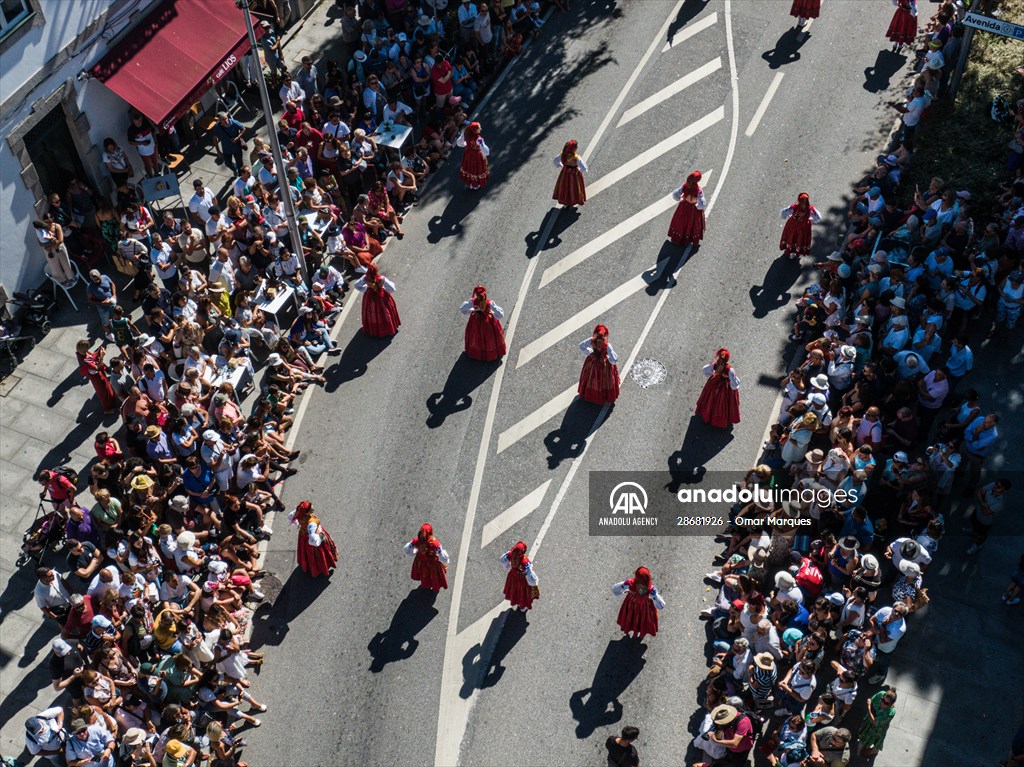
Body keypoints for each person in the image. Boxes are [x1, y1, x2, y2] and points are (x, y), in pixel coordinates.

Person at [612, 566, 666, 640]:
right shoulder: (651, 589)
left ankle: (629, 628)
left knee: (631, 616)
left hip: (632, 603)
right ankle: (641, 631)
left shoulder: (630, 583)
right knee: (643, 618)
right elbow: (660, 604)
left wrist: (626, 590)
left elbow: (615, 589)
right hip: (645, 606)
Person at [288, 500, 338, 577]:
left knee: (305, 552)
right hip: (313, 536)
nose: (313, 508)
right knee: (319, 554)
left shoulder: (299, 512)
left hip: (303, 535)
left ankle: (307, 564)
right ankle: (321, 566)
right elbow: (313, 540)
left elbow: (290, 516)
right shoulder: (312, 523)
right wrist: (321, 536)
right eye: (311, 508)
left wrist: (298, 524)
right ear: (307, 512)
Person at [696, 348, 741, 428]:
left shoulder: (715, 364)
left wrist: (713, 374)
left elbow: (705, 370)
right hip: (725, 387)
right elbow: (734, 384)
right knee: (723, 403)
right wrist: (730, 382)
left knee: (710, 399)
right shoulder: (729, 369)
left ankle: (708, 415)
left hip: (714, 383)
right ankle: (719, 419)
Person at [460, 285, 506, 361]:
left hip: (476, 321)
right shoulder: (489, 303)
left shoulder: (473, 301)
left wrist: (472, 310)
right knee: (490, 337)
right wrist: (492, 313)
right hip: (488, 322)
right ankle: (491, 354)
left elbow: (463, 309)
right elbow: (500, 314)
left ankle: (478, 353)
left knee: (475, 336)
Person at [353, 263, 401, 337]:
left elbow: (356, 285)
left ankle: (374, 330)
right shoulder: (381, 279)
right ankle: (387, 328)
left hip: (369, 297)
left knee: (371, 314)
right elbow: (392, 289)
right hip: (382, 297)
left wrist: (365, 289)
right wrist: (384, 289)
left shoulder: (365, 278)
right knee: (385, 313)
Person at [578, 324, 620, 405]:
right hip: (603, 365)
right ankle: (603, 396)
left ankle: (589, 394)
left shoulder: (591, 340)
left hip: (592, 362)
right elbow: (613, 359)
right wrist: (609, 360)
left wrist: (590, 353)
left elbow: (581, 346)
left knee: (591, 377)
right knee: (605, 380)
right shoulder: (607, 345)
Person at [404, 523, 450, 592]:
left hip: (421, 561)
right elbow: (442, 556)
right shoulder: (435, 543)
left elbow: (408, 550)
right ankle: (435, 586)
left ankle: (426, 585)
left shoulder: (416, 541)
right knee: (435, 576)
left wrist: (417, 551)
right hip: (433, 563)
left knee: (424, 575)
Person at [76, 339, 118, 414]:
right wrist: (101, 356)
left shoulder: (83, 354)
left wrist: (98, 352)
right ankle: (107, 410)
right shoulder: (85, 360)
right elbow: (97, 368)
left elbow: (92, 356)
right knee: (103, 392)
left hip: (97, 374)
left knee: (106, 388)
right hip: (96, 376)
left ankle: (111, 400)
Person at [668, 171, 706, 246]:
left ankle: (678, 238)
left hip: (683, 207)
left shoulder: (684, 186)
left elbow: (675, 194)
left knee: (680, 221)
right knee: (692, 223)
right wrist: (696, 204)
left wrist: (681, 199)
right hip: (693, 211)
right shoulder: (698, 190)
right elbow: (702, 203)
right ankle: (689, 239)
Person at [779, 193, 822, 260]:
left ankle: (796, 252)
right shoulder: (794, 207)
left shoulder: (810, 209)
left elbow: (818, 217)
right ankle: (790, 251)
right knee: (791, 238)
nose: (804, 203)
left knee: (800, 239)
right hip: (793, 226)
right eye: (802, 201)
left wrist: (811, 220)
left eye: (805, 201)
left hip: (803, 228)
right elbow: (783, 213)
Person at [857, 687, 897, 758]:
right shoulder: (881, 694)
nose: (882, 703)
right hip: (868, 721)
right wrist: (869, 702)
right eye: (882, 700)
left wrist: (869, 708)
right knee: (864, 733)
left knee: (874, 739)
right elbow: (870, 699)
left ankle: (874, 750)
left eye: (886, 703)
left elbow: (875, 722)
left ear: (891, 704)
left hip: (877, 729)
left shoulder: (890, 712)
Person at [501, 541, 539, 612]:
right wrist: (534, 583)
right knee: (524, 593)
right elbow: (531, 577)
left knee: (514, 589)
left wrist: (509, 567)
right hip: (522, 579)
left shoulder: (510, 554)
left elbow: (503, 560)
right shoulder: (525, 562)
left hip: (513, 576)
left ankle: (516, 601)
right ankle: (523, 606)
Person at [553, 139, 588, 207]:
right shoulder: (576, 157)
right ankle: (573, 201)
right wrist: (579, 170)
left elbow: (555, 161)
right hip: (574, 174)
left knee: (564, 186)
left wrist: (561, 165)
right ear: (574, 149)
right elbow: (584, 168)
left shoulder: (562, 155)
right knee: (574, 187)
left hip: (564, 173)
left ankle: (565, 202)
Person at [456, 122, 490, 190]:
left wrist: (467, 145)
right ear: (475, 130)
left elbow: (459, 143)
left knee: (469, 168)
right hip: (477, 156)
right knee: (477, 169)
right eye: (479, 128)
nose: (480, 129)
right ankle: (475, 185)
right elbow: (485, 151)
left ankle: (471, 183)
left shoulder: (466, 135)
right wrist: (484, 153)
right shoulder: (479, 139)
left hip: (468, 154)